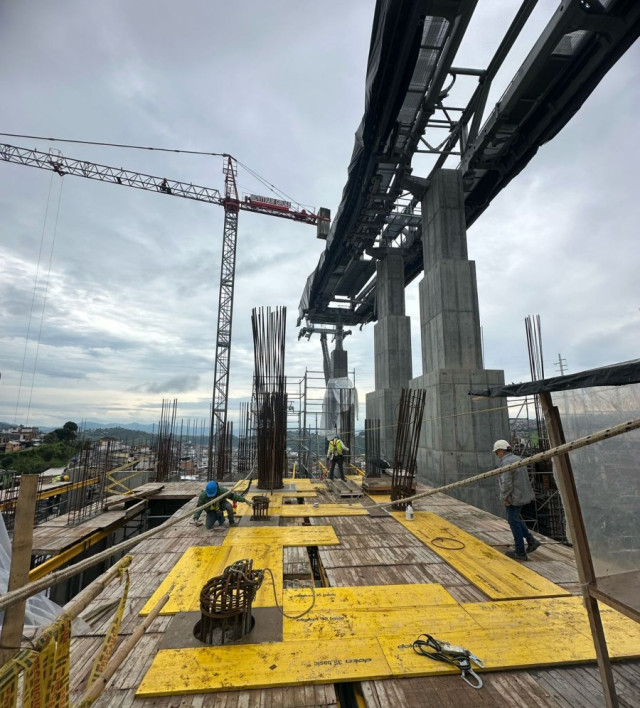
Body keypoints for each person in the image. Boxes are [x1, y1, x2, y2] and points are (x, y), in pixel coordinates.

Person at [493, 439, 541, 561]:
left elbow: (507, 483)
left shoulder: (506, 462)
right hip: (523, 495)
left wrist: (504, 498)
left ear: (500, 451)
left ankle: (520, 551)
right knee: (515, 519)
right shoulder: (518, 459)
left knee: (513, 522)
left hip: (513, 497)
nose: (496, 455)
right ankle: (531, 541)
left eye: (496, 452)